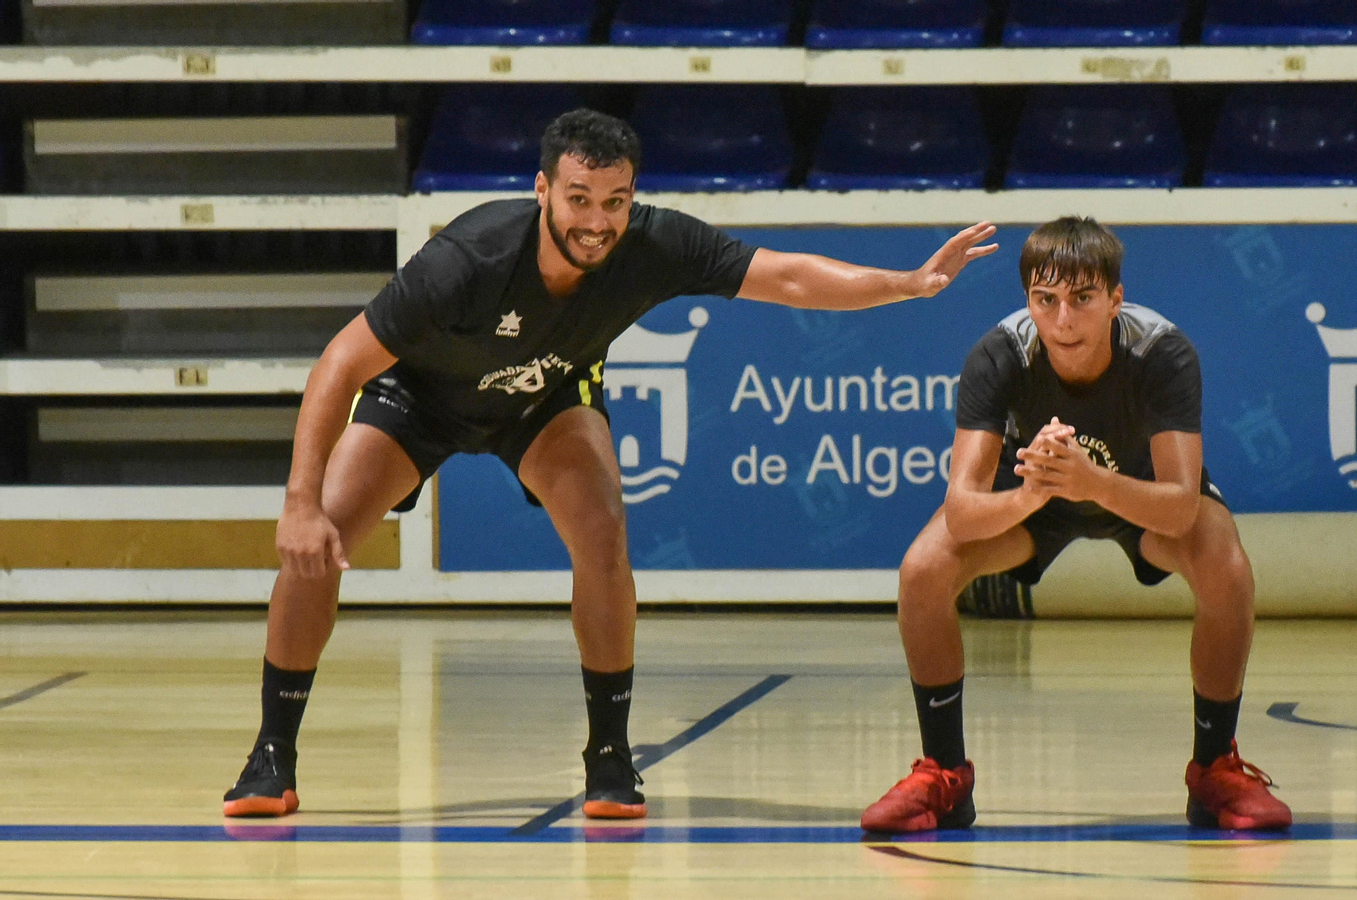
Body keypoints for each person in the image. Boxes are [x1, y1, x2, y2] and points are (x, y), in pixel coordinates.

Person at [223, 108, 998, 819]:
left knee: (602, 536)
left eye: (614, 201)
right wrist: (298, 499)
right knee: (316, 547)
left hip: (546, 398)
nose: (597, 222)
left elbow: (785, 276)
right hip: (419, 399)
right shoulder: (466, 258)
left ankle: (609, 755)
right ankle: (272, 756)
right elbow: (338, 365)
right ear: (543, 191)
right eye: (579, 199)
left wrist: (907, 285)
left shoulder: (653, 245)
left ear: (633, 197)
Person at [860, 216, 1292, 833]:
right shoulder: (998, 355)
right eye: (1046, 300)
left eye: (1083, 298)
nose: (1063, 319)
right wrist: (1037, 491)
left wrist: (1092, 482)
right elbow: (962, 509)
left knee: (1225, 564)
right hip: (1037, 496)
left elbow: (1179, 506)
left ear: (1116, 299)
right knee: (924, 569)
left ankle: (1215, 770)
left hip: (1135, 493)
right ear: (1029, 302)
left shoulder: (1161, 351)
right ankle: (944, 775)